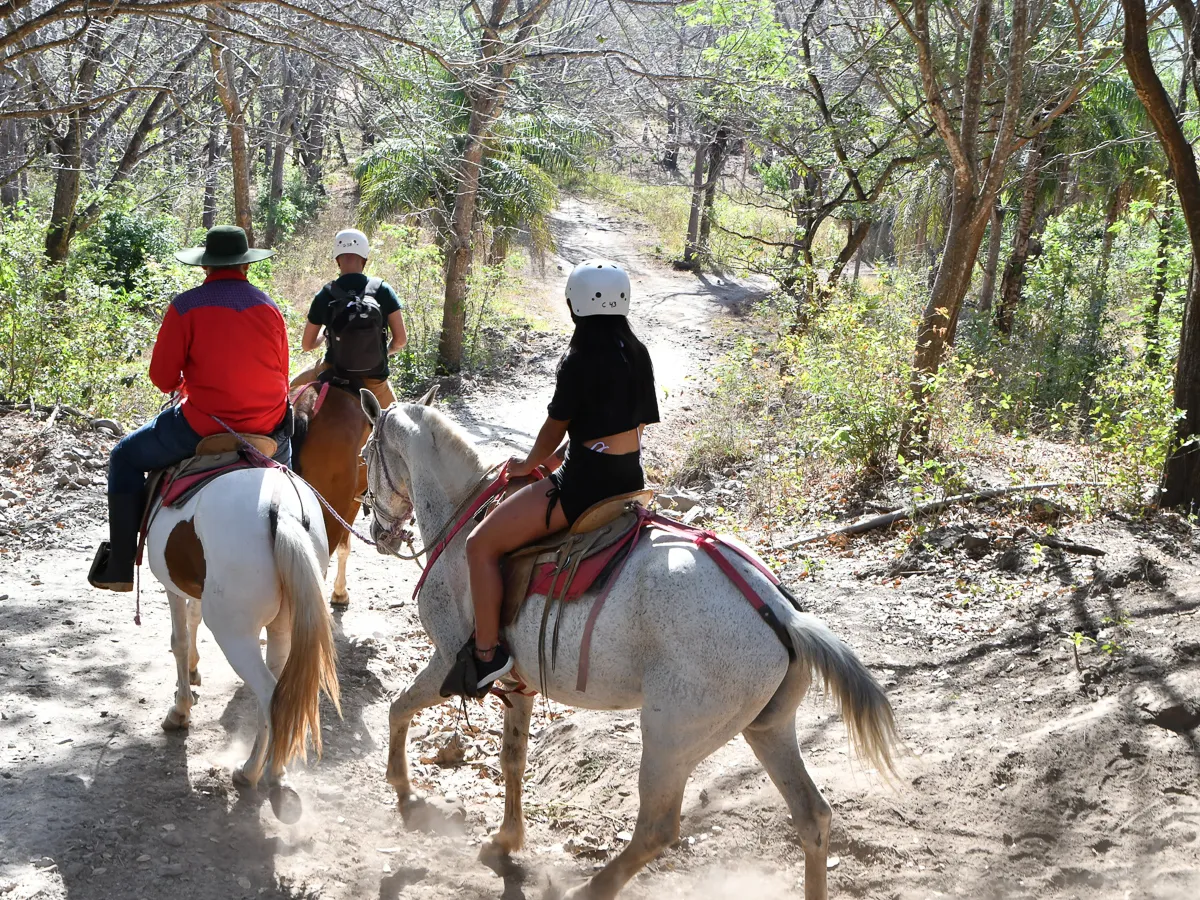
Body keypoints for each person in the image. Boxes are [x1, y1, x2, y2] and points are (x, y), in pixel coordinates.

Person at [445, 259, 659, 696]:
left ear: (575, 305)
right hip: (629, 478)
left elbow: (554, 428)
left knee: (479, 545)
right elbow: (618, 430)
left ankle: (488, 654)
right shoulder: (637, 352)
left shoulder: (579, 358)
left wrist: (528, 464)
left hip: (583, 489)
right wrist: (559, 459)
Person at [88, 225, 292, 592]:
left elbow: (162, 377)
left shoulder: (185, 306)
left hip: (204, 424)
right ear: (245, 266)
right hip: (268, 424)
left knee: (124, 457)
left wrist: (186, 383)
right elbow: (282, 371)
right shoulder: (270, 307)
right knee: (294, 479)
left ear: (206, 267)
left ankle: (118, 565)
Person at [290, 228, 406, 408]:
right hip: (375, 380)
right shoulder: (383, 290)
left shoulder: (325, 294)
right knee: (395, 425)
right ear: (365, 259)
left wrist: (323, 335)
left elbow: (307, 345)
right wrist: (382, 351)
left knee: (291, 390)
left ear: (337, 259)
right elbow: (400, 341)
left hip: (333, 369)